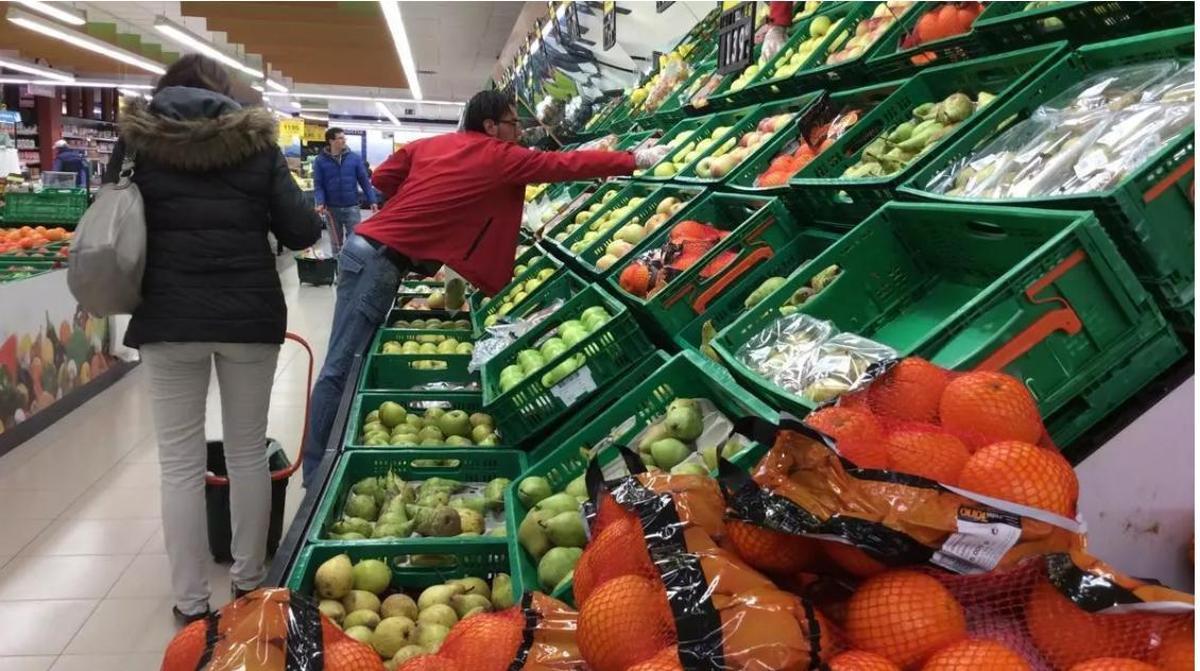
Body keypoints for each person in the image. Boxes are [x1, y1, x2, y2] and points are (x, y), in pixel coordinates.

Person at [300, 90, 670, 485]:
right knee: (339, 367)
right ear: (491, 126)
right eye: (514, 123)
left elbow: (383, 177)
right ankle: (314, 477)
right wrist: (635, 159)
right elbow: (563, 163)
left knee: (340, 364)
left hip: (364, 249)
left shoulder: (433, 145)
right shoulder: (499, 155)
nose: (520, 132)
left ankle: (316, 467)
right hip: (379, 261)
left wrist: (427, 200)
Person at [104, 53, 322, 624]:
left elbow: (106, 216)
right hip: (248, 316)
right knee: (247, 452)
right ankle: (249, 586)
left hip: (168, 318)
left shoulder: (137, 144)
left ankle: (190, 603)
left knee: (179, 462)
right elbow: (300, 230)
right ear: (223, 92)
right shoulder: (255, 144)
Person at [313, 127, 377, 253]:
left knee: (355, 242)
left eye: (344, 138)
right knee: (336, 244)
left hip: (352, 207)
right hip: (331, 209)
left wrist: (372, 200)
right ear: (331, 141)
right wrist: (320, 202)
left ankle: (352, 271)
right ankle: (339, 270)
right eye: (340, 138)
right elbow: (318, 185)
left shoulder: (354, 158)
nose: (344, 141)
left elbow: (364, 181)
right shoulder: (320, 161)